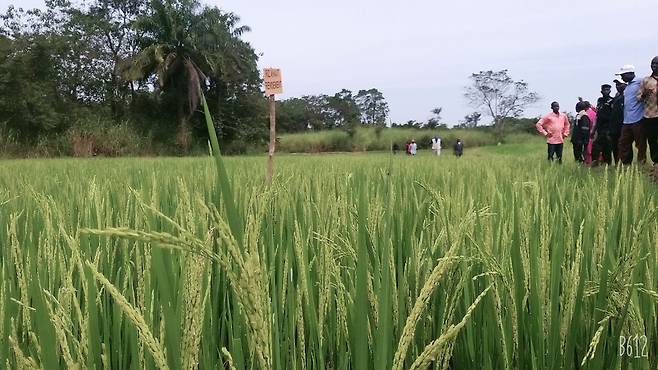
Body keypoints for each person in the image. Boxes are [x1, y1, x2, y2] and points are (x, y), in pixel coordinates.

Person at [616, 64, 647, 165]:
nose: (622, 77)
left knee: (640, 143)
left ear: (630, 73)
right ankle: (625, 164)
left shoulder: (641, 81)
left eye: (623, 75)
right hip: (627, 120)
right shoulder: (628, 87)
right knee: (623, 143)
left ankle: (641, 163)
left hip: (638, 119)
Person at [638, 56, 658, 172]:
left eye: (656, 64)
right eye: (652, 64)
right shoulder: (646, 80)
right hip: (650, 115)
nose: (654, 66)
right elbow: (638, 97)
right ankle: (656, 161)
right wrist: (644, 94)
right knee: (652, 139)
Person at [591, 84, 614, 165]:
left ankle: (607, 164)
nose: (606, 91)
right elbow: (597, 115)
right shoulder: (600, 100)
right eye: (605, 90)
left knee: (606, 147)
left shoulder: (612, 100)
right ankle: (595, 163)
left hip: (608, 127)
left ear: (610, 91)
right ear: (601, 91)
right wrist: (593, 130)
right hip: (599, 128)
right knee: (596, 147)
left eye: (608, 90)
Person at [610, 78, 627, 164]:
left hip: (623, 125)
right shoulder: (616, 97)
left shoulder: (627, 95)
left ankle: (624, 163)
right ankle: (617, 163)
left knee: (623, 145)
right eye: (616, 85)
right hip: (614, 127)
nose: (617, 86)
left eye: (620, 84)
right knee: (614, 146)